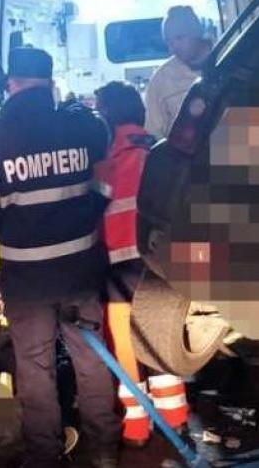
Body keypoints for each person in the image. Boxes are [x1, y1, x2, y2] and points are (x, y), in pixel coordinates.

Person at [0, 47, 120, 468]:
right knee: (91, 357)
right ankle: (104, 448)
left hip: (28, 280)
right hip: (80, 269)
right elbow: (105, 180)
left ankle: (45, 454)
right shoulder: (82, 128)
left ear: (11, 84)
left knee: (34, 366)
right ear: (50, 83)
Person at [94, 82, 190, 448]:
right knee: (158, 337)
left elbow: (93, 210)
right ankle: (175, 418)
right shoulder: (160, 149)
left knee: (124, 341)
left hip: (119, 263)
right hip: (161, 260)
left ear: (108, 114)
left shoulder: (107, 157)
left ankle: (136, 425)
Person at [145, 5, 211, 139]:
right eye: (168, 42)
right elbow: (154, 133)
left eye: (179, 38)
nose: (173, 48)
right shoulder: (161, 79)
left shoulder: (229, 61)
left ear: (197, 33)